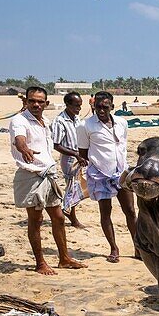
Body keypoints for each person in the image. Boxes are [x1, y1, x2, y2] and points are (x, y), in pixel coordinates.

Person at [8, 86, 87, 275]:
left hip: (48, 173)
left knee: (58, 217)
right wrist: (23, 148)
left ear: (46, 104)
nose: (36, 104)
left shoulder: (45, 121)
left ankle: (64, 258)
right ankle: (40, 263)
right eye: (32, 101)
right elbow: (19, 139)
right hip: (30, 175)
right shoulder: (19, 120)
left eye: (40, 101)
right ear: (26, 102)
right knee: (35, 220)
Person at [78, 90, 137, 263]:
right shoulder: (85, 126)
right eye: (98, 107)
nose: (101, 111)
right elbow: (83, 152)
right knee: (106, 212)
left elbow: (122, 146)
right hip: (100, 174)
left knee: (131, 211)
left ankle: (138, 247)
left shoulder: (122, 123)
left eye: (105, 107)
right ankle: (114, 248)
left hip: (122, 173)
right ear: (93, 106)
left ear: (112, 106)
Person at [50, 91, 87, 228]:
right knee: (71, 188)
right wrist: (75, 154)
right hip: (70, 160)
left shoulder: (77, 119)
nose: (78, 108)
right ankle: (72, 217)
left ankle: (69, 210)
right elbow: (56, 145)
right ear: (67, 105)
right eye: (76, 105)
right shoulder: (60, 121)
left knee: (78, 187)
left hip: (80, 158)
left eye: (80, 105)